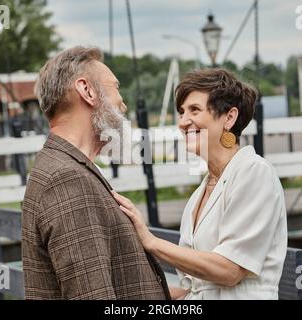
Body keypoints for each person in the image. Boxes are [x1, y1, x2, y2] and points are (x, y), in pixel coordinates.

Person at [113, 68, 288, 299]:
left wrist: (151, 242)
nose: (183, 122)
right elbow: (197, 289)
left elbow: (230, 270)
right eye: (181, 112)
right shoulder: (199, 195)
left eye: (194, 110)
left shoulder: (253, 172)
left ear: (229, 117)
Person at [21, 46, 170, 300]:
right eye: (115, 88)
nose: (123, 104)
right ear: (87, 91)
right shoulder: (66, 179)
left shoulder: (65, 166)